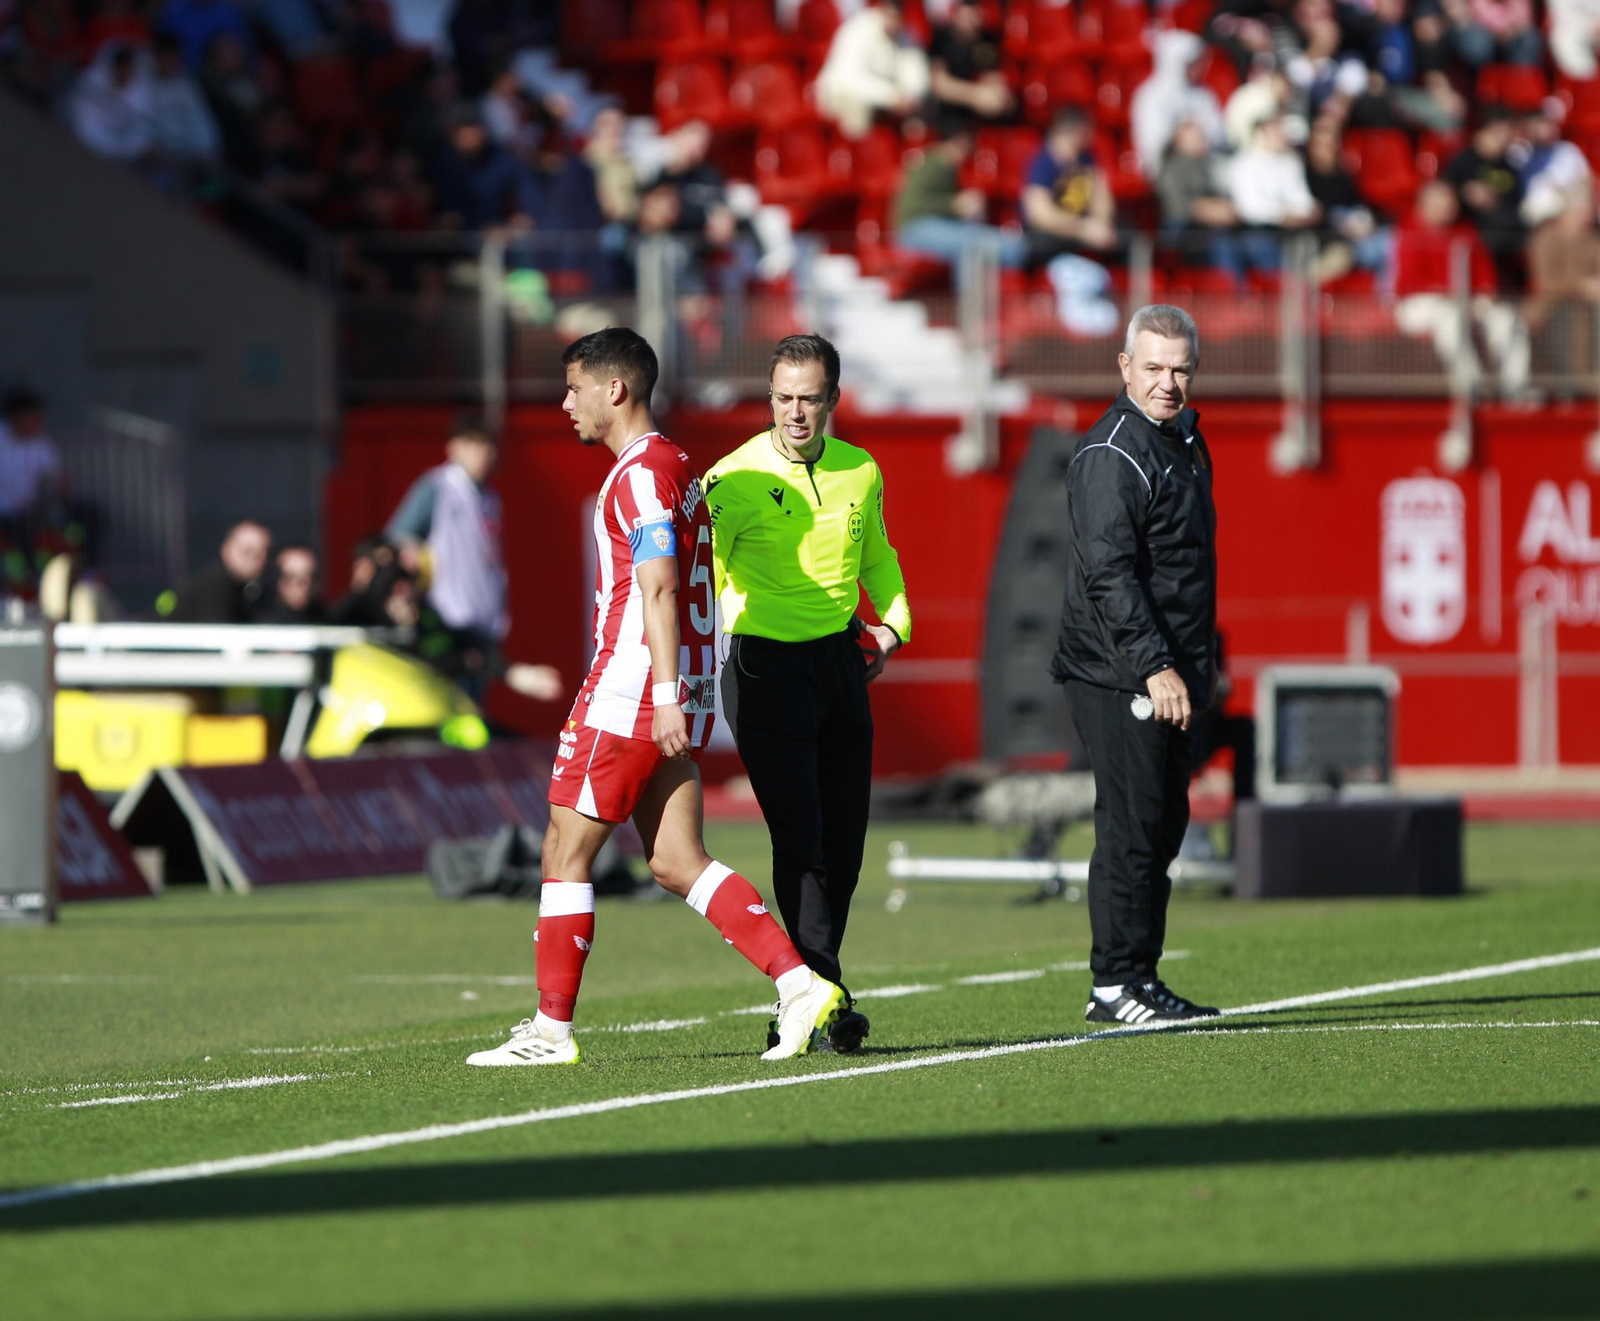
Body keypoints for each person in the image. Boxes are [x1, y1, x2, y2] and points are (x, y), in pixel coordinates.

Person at [466, 328, 844, 1067]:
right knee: (675, 859)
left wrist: (665, 693)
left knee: (562, 849)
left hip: (634, 690)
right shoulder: (675, 463)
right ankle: (800, 983)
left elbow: (661, 585)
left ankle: (550, 1030)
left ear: (615, 389)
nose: (566, 402)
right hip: (679, 689)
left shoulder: (641, 473)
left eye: (574, 387)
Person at [706, 334, 911, 1055]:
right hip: (764, 670)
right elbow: (697, 578)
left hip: (839, 666)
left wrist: (893, 627)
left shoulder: (861, 470)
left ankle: (811, 990)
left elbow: (878, 556)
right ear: (770, 399)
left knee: (845, 846)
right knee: (801, 841)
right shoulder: (728, 480)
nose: (796, 412)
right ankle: (821, 993)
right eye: (783, 398)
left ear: (832, 399)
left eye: (809, 398)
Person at [1050, 304, 1219, 1026]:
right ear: (1125, 369)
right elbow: (1109, 576)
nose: (1167, 382)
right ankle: (1114, 981)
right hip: (1117, 672)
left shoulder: (1183, 440)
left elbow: (1183, 572)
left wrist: (1194, 663)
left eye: (1180, 368)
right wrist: (1156, 664)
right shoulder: (1112, 452)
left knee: (1161, 826)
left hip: (1168, 669)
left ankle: (1141, 976)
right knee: (1129, 824)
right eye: (1153, 367)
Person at [384, 417, 508, 702]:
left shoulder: (489, 498)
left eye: (488, 446)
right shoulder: (436, 487)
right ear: (453, 448)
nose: (484, 454)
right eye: (474, 445)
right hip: (446, 627)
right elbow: (396, 539)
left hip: (482, 627)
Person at [1391, 180, 1529, 393]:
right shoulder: (1408, 230)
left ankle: (1516, 387)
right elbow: (1411, 281)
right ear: (1424, 205)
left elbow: (1484, 270)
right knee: (1450, 316)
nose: (1448, 208)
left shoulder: (1465, 229)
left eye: (1451, 202)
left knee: (1505, 316)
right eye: (1442, 203)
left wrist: (1485, 293)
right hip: (1418, 304)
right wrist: (1457, 295)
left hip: (1464, 299)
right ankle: (1471, 387)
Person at [1021, 108, 1121, 335]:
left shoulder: (1088, 160)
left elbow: (1102, 198)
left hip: (1085, 237)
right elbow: (1040, 214)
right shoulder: (1043, 163)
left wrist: (1100, 224)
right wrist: (1084, 229)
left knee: (1129, 240)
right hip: (1054, 241)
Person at [894, 129, 1027, 267]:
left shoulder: (947, 166)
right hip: (914, 229)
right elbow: (912, 203)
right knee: (972, 245)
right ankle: (1020, 252)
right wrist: (954, 204)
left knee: (980, 239)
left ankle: (1019, 250)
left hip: (933, 225)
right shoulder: (934, 165)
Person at [815, 0, 930, 140]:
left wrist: (910, 96)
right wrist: (892, 97)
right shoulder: (858, 29)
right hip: (842, 94)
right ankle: (862, 156)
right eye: (889, 15)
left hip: (887, 99)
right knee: (857, 111)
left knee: (919, 121)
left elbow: (916, 71)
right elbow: (850, 80)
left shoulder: (906, 34)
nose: (892, 21)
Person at [1132, 29, 1226, 180]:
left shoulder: (1203, 94)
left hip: (1206, 160)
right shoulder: (1151, 95)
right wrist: (1183, 139)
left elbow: (1218, 132)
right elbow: (1153, 142)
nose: (1197, 69)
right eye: (1190, 64)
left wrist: (1201, 138)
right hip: (1170, 166)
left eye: (1197, 63)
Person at [927, 0, 1013, 137]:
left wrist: (997, 94)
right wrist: (975, 95)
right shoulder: (942, 39)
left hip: (981, 122)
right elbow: (939, 85)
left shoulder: (987, 40)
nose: (970, 18)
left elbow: (993, 76)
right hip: (947, 121)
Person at [158, 517, 270, 622]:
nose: (254, 560)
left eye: (260, 554)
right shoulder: (207, 586)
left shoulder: (257, 590)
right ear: (227, 550)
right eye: (247, 551)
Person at [253, 545, 323, 624]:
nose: (297, 585)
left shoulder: (326, 620)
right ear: (277, 580)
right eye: (289, 576)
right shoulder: (258, 623)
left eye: (304, 578)